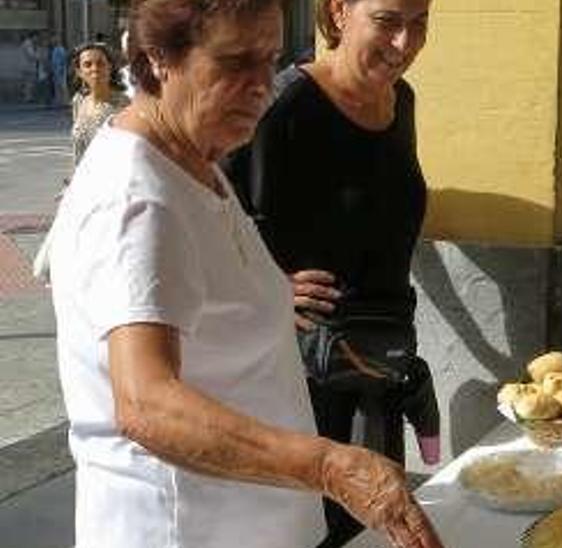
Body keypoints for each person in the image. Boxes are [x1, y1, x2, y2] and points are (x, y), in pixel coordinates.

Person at [44, 0, 443, 546]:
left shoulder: (195, 157)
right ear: (160, 58)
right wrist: (328, 466)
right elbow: (145, 404)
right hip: (183, 529)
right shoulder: (136, 200)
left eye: (270, 58)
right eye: (235, 62)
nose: (263, 85)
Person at [223, 0, 437, 544]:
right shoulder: (284, 107)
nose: (403, 44)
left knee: (371, 527)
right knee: (310, 530)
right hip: (300, 377)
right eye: (388, 21)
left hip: (378, 363)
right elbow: (200, 212)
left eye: (419, 24)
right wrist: (265, 285)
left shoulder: (401, 101)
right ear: (339, 11)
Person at [68, 43, 129, 166]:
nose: (94, 68)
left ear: (110, 67)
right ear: (79, 72)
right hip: (84, 179)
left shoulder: (124, 105)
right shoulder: (78, 101)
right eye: (87, 65)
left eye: (100, 63)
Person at [50, 40, 68, 106]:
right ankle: (59, 100)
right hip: (56, 70)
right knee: (57, 86)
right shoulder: (55, 49)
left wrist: (62, 69)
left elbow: (63, 60)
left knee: (62, 86)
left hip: (60, 70)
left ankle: (64, 101)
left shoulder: (60, 49)